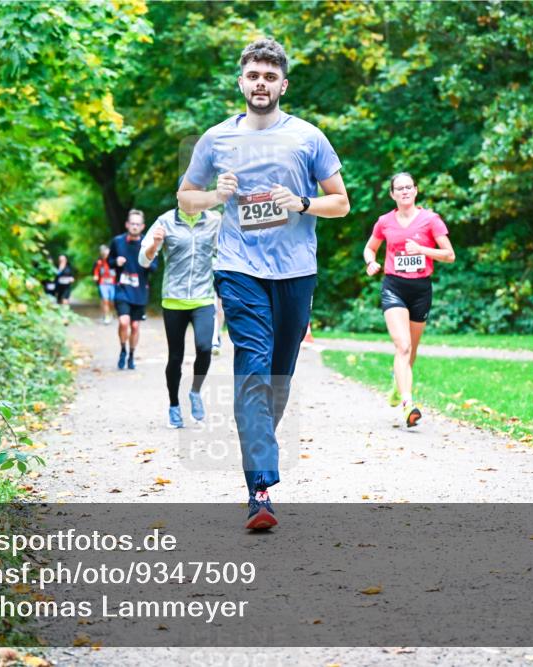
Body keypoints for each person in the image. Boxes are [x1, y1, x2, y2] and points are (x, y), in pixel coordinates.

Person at [178, 38, 349, 530]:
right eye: (253, 75)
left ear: (283, 85)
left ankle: (259, 450)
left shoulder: (308, 138)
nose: (261, 83)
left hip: (296, 272)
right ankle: (260, 490)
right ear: (241, 82)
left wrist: (301, 202)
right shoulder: (216, 140)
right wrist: (215, 194)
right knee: (252, 369)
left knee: (278, 378)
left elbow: (341, 203)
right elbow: (186, 198)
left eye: (270, 77)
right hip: (238, 269)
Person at [362, 172, 455, 428]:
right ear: (392, 194)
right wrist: (371, 261)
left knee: (410, 351)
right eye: (399, 188)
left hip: (421, 290)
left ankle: (398, 384)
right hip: (394, 287)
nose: (404, 191)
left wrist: (423, 250)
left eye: (408, 187)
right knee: (402, 346)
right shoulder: (384, 222)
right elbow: (370, 248)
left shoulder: (430, 220)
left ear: (416, 190)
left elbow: (449, 255)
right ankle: (407, 405)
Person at [140, 203, 222, 429]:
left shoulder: (214, 221)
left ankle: (195, 391)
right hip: (174, 299)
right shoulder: (165, 221)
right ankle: (174, 406)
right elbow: (143, 260)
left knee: (205, 347)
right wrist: (155, 244)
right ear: (180, 197)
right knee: (175, 357)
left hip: (203, 298)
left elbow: (224, 251)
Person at [108, 210, 157, 370]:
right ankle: (123, 349)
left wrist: (148, 263)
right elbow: (109, 261)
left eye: (138, 224)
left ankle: (131, 355)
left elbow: (155, 267)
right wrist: (116, 261)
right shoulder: (117, 242)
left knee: (135, 326)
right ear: (127, 224)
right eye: (132, 223)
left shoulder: (147, 245)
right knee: (124, 321)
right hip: (122, 288)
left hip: (140, 291)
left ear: (142, 227)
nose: (135, 226)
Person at [92, 244, 116, 324]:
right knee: (105, 300)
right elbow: (95, 271)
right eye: (103, 251)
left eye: (106, 250)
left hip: (113, 283)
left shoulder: (114, 261)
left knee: (112, 301)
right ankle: (106, 316)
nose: (104, 253)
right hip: (103, 283)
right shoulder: (99, 262)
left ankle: (111, 312)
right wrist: (95, 276)